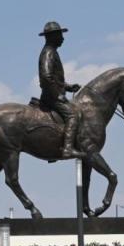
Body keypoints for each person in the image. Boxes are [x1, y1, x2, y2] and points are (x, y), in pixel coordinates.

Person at [38, 21, 85, 159]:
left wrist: (68, 87)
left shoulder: (52, 52)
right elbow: (46, 78)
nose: (62, 38)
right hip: (52, 96)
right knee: (73, 115)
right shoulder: (48, 53)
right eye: (59, 35)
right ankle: (68, 149)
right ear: (52, 36)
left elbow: (54, 79)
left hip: (54, 94)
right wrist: (58, 95)